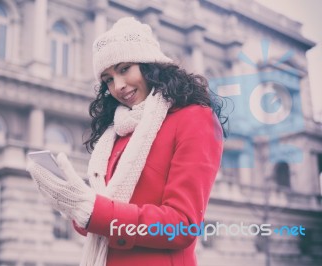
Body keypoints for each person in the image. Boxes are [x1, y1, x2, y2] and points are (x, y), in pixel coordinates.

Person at [27, 17, 227, 266]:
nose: (118, 86)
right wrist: (74, 203)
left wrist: (92, 210)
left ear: (149, 65)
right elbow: (100, 220)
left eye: (124, 69)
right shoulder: (119, 130)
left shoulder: (194, 118)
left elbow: (182, 225)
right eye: (108, 79)